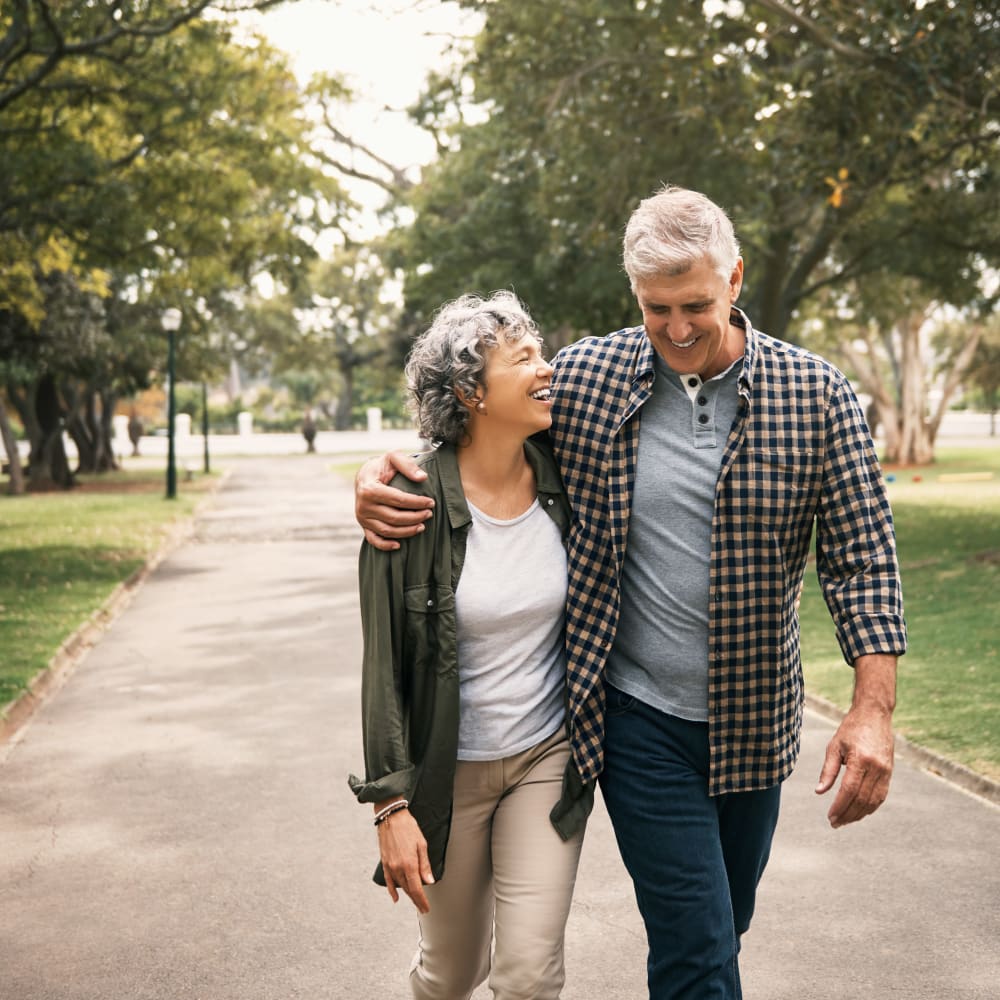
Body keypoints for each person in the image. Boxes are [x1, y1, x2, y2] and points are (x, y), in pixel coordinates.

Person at [355, 186, 907, 999]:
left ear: (736, 280)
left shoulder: (817, 396)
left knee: (724, 925)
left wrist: (872, 710)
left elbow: (864, 561)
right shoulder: (586, 378)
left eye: (695, 305)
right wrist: (378, 475)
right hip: (636, 719)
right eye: (656, 309)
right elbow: (475, 426)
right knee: (695, 944)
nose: (677, 329)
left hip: (756, 721)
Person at [348, 290, 593, 1000]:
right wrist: (390, 809)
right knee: (452, 974)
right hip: (444, 775)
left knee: (527, 976)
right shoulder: (407, 502)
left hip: (547, 761)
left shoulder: (566, 476)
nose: (548, 370)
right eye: (524, 359)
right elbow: (382, 669)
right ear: (470, 392)